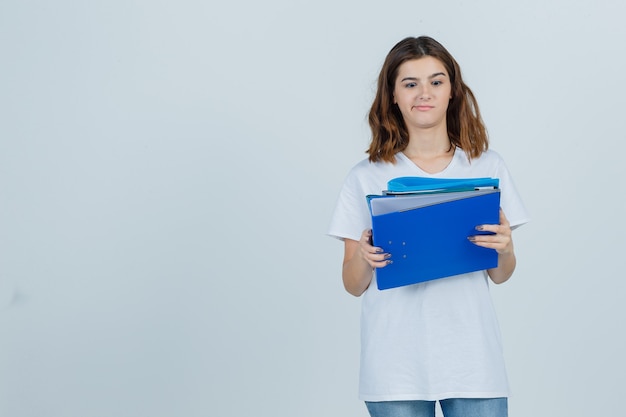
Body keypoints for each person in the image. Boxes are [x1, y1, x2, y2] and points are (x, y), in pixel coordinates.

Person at [327, 36, 530, 417]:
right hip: (394, 366)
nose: (425, 93)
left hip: (473, 362)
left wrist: (505, 249)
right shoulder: (365, 177)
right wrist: (367, 258)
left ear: (452, 90)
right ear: (393, 96)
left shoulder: (487, 168)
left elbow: (501, 276)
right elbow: (352, 285)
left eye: (436, 82)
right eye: (410, 83)